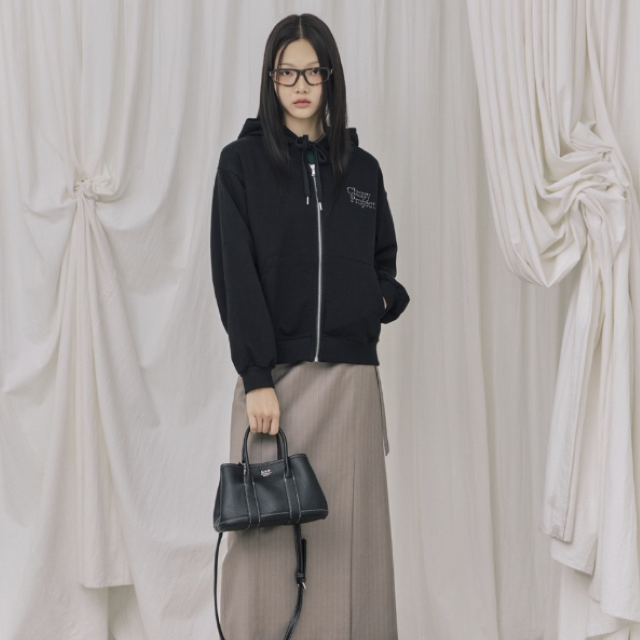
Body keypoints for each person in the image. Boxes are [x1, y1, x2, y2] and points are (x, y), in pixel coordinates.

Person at [210, 13, 410, 639]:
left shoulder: (363, 171)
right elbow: (234, 273)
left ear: (330, 77)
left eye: (312, 72)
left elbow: (382, 261)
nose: (300, 85)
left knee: (351, 542)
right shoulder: (241, 165)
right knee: (265, 546)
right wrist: (256, 375)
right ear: (270, 79)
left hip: (351, 387)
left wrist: (376, 300)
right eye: (287, 73)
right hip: (276, 383)